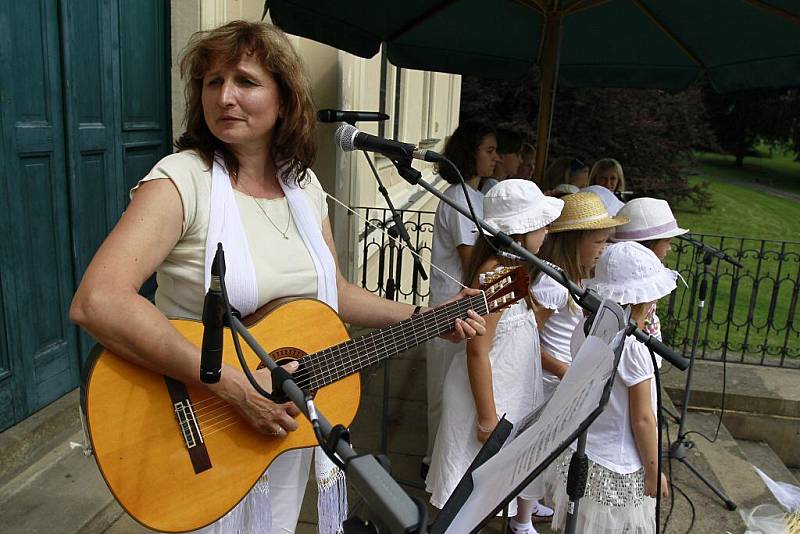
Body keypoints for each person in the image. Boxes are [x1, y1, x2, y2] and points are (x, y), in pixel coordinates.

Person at [69, 21, 485, 534]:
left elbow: (333, 292)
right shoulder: (182, 179)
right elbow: (99, 301)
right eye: (212, 81)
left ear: (285, 100)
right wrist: (236, 390)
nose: (225, 96)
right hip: (203, 422)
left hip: (277, 430)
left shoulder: (303, 187)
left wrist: (424, 317)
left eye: (245, 81)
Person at [426, 180, 564, 533]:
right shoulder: (496, 275)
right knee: (465, 495)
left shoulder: (512, 271)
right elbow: (477, 349)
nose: (547, 231)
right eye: (541, 225)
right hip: (483, 402)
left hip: (503, 393)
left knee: (487, 494)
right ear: (519, 235)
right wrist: (488, 418)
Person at [548, 241, 674, 533]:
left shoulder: (586, 327)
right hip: (618, 462)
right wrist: (654, 471)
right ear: (645, 299)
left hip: (585, 451)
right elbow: (642, 418)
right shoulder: (634, 347)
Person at [423, 121, 498, 476]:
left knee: (456, 388)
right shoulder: (458, 199)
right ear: (470, 154)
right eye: (489, 150)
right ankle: (433, 462)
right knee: (443, 389)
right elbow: (471, 261)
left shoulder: (478, 198)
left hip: (463, 305)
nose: (495, 158)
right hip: (449, 304)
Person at [530, 192, 628, 398]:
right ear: (573, 243)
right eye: (597, 242)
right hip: (547, 383)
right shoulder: (553, 285)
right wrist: (562, 370)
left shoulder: (573, 279)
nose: (603, 250)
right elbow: (526, 340)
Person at [613, 197, 689, 339]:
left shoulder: (649, 275)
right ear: (648, 244)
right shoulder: (633, 283)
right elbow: (635, 323)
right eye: (667, 241)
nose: (670, 248)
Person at [478, 127, 522, 193]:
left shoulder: (498, 186)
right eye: (517, 154)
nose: (521, 160)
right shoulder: (495, 189)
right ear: (500, 156)